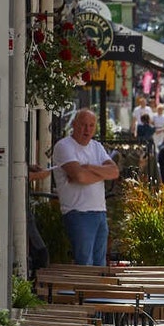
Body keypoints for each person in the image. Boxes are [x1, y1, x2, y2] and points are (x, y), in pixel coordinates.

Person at [52, 109, 120, 267]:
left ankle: (96, 293)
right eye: (83, 125)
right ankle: (85, 293)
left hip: (99, 211)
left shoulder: (96, 146)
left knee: (99, 262)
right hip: (78, 212)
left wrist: (89, 167)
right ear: (74, 125)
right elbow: (80, 177)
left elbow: (115, 172)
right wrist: (102, 173)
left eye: (91, 125)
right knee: (85, 262)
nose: (87, 129)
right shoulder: (64, 146)